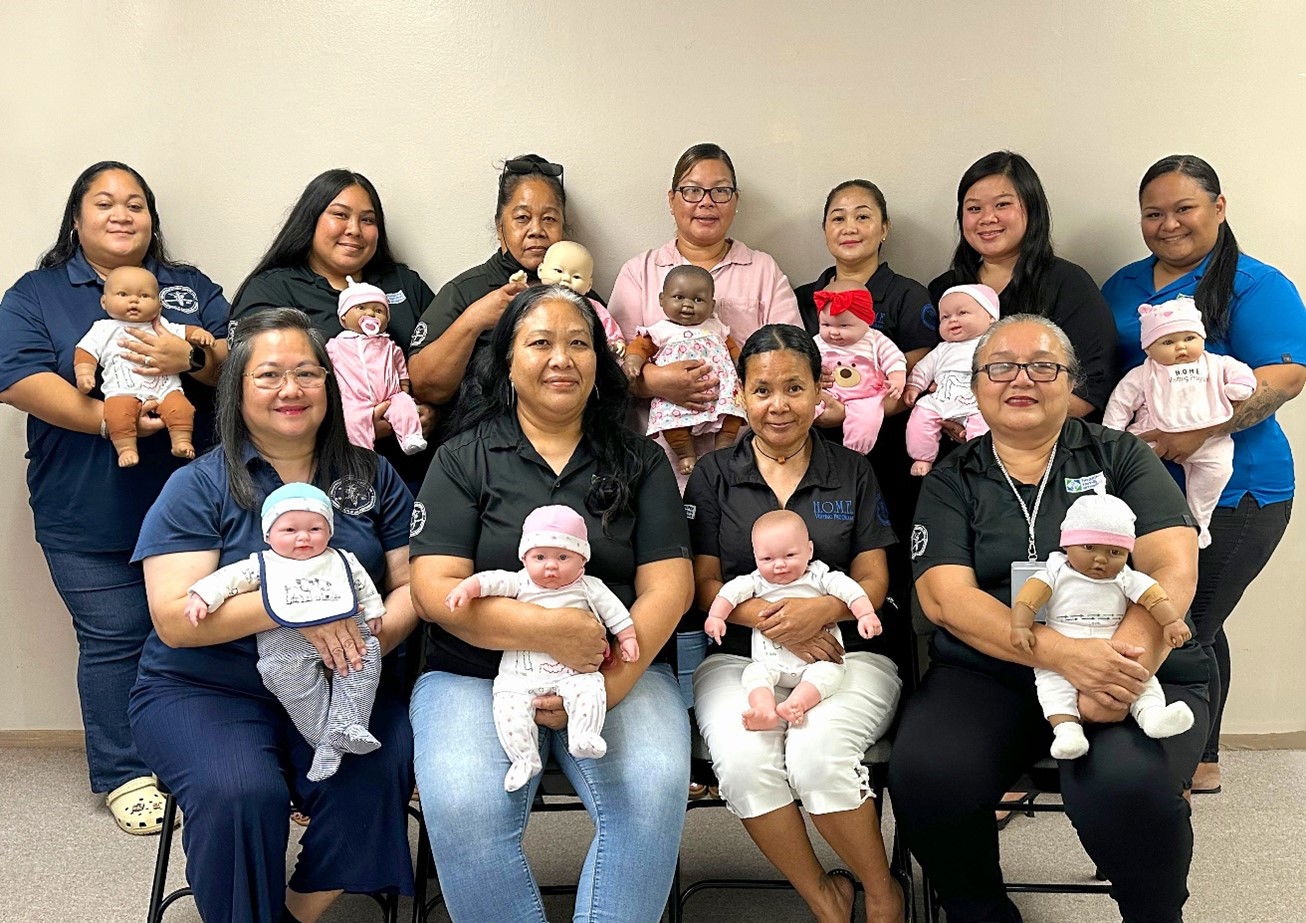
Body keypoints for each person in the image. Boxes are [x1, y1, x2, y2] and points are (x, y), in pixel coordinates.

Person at [888, 314, 1210, 923]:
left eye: (1043, 366)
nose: (1021, 380)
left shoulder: (1121, 456)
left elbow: (1172, 565)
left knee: (1124, 787)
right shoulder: (953, 478)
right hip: (990, 672)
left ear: (1071, 381)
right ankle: (979, 912)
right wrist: (1064, 656)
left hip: (1133, 666)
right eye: (1000, 367)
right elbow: (943, 598)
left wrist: (1119, 665)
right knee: (929, 773)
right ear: (977, 383)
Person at [408, 284, 694, 923]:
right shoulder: (462, 458)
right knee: (463, 804)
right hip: (472, 673)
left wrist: (605, 681)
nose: (561, 358)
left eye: (578, 343)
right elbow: (432, 588)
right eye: (540, 342)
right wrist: (547, 629)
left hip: (619, 664)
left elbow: (669, 588)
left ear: (600, 363)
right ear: (507, 362)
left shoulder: (642, 460)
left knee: (652, 789)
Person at [128, 308, 417, 923]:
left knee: (382, 763)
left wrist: (364, 637)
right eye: (269, 375)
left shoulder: (372, 476)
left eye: (307, 373)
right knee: (240, 792)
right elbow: (176, 620)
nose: (291, 389)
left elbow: (411, 585)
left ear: (329, 385)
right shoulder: (199, 486)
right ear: (237, 389)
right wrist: (299, 612)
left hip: (344, 682)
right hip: (204, 688)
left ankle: (292, 913)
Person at [0, 161, 228, 835]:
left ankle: (191, 757)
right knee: (114, 638)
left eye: (135, 203)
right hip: (83, 506)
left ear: (153, 219)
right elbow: (16, 378)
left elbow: (233, 358)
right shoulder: (38, 292)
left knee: (191, 632)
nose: (121, 213)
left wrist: (186, 360)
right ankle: (125, 772)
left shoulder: (188, 288)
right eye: (104, 203)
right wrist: (107, 417)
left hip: (192, 503)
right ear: (77, 218)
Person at [1102, 154, 1306, 794]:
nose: (1168, 224)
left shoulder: (1255, 284)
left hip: (1243, 488)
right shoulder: (1124, 285)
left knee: (1188, 619)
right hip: (1146, 485)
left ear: (1218, 207)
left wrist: (1200, 433)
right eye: (1153, 213)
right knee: (1190, 617)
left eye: (1183, 208)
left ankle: (1174, 763)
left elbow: (1286, 375)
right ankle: (1204, 753)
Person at [687, 324, 906, 923]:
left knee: (818, 755)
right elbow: (703, 583)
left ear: (819, 393)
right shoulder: (713, 475)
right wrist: (774, 620)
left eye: (793, 388)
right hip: (740, 657)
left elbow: (876, 579)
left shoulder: (854, 470)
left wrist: (825, 609)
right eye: (761, 390)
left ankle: (881, 889)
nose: (777, 404)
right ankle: (826, 900)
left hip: (846, 652)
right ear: (741, 395)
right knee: (744, 757)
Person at [230, 169, 436, 487]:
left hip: (410, 467)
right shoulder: (272, 289)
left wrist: (432, 413)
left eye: (368, 220)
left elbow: (441, 363)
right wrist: (354, 423)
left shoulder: (404, 283)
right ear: (311, 220)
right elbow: (252, 385)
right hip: (313, 472)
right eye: (340, 215)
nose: (354, 229)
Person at [608, 143, 801, 482]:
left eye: (720, 191)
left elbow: (793, 358)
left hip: (749, 463)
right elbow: (609, 365)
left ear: (735, 201)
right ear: (672, 200)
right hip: (656, 466)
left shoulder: (762, 270)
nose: (706, 202)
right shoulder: (640, 271)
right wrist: (655, 381)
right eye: (692, 190)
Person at [794, 179, 938, 621]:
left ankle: (889, 660)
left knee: (885, 562)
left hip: (887, 454)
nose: (850, 226)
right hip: (813, 452)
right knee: (815, 557)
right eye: (838, 217)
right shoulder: (802, 298)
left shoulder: (907, 294)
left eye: (863, 216)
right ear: (824, 230)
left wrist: (862, 409)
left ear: (884, 228)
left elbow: (916, 376)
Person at [185, 482, 387, 782]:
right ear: (268, 535)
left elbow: (362, 584)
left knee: (364, 660)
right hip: (284, 642)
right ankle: (325, 739)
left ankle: (348, 723)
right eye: (290, 530)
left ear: (329, 531)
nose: (303, 537)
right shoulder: (263, 564)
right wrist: (203, 596)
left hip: (347, 634)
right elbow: (229, 579)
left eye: (315, 529)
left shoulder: (342, 559)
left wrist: (373, 610)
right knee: (287, 679)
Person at [444, 503, 641, 793]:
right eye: (540, 557)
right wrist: (467, 589)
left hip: (575, 673)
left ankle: (584, 735)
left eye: (563, 556)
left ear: (582, 560)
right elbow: (490, 580)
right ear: (525, 559)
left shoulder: (589, 586)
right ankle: (523, 759)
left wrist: (628, 638)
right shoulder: (520, 582)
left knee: (591, 691)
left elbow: (616, 614)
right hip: (522, 675)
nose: (551, 565)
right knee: (507, 704)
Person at [929, 151, 1118, 418]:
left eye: (1002, 205)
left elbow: (1092, 389)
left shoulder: (1069, 284)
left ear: (1031, 208)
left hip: (1044, 446)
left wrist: (996, 422)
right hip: (954, 449)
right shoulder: (945, 290)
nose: (987, 218)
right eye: (974, 208)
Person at [407, 154, 573, 418]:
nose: (536, 230)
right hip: (481, 446)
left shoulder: (580, 295)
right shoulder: (465, 291)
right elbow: (424, 386)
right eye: (522, 218)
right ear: (499, 227)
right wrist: (474, 320)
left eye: (550, 219)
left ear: (563, 228)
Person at [1102, 296, 1256, 548]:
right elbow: (1121, 402)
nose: (1181, 347)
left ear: (1202, 338)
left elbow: (1243, 372)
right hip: (1151, 433)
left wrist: (1239, 386)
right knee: (1135, 469)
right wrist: (1112, 434)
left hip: (1210, 436)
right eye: (1168, 341)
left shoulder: (1216, 364)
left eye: (1189, 338)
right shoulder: (1143, 374)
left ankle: (1200, 521)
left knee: (1218, 470)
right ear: (1149, 348)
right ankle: (1139, 521)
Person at [622, 265, 745, 474]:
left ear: (712, 304)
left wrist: (742, 367)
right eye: (678, 297)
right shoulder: (659, 330)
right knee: (672, 422)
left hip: (719, 390)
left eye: (698, 300)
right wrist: (633, 361)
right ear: (662, 299)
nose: (687, 305)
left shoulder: (716, 327)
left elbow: (734, 350)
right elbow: (639, 347)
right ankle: (685, 453)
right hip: (674, 394)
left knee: (733, 411)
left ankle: (724, 447)